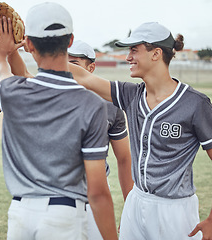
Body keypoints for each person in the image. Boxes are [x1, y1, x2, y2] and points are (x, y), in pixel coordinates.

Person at [70, 22, 212, 240]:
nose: (128, 57)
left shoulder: (195, 104)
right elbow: (84, 77)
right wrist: (39, 47)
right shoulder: (131, 94)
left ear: (156, 53)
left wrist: (211, 220)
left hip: (174, 211)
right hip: (136, 203)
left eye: (134, 50)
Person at [0, 2, 118, 240]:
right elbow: (99, 191)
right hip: (64, 215)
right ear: (70, 41)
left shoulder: (12, 91)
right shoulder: (92, 104)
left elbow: (1, 71)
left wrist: (3, 51)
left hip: (20, 213)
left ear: (29, 44)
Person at [68, 40, 133, 240]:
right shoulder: (50, 99)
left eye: (74, 64)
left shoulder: (110, 106)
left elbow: (124, 159)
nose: (66, 69)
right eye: (63, 62)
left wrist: (129, 210)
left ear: (91, 67)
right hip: (58, 196)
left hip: (95, 197)